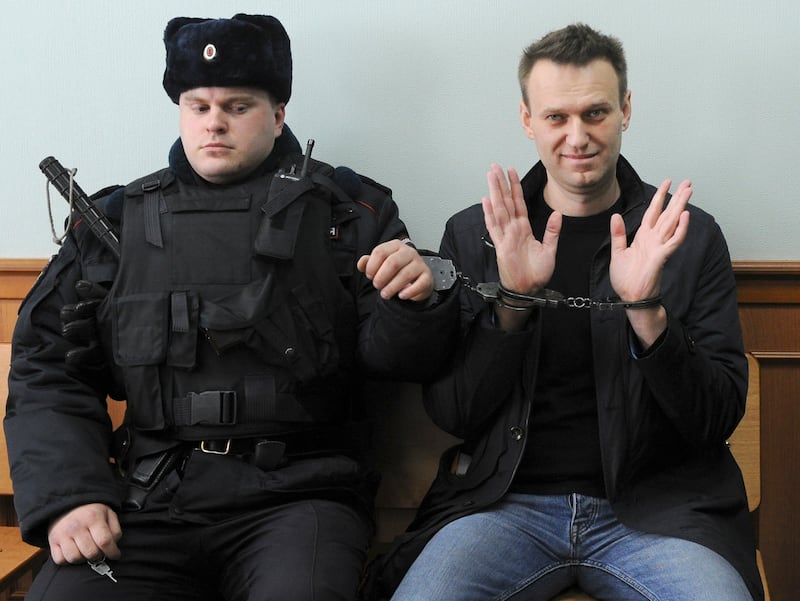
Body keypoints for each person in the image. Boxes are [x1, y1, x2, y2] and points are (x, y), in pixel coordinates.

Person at [5, 14, 458, 601]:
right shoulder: (114, 221)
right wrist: (70, 495)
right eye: (198, 106)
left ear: (278, 113)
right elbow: (46, 366)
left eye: (238, 106)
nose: (214, 122)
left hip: (300, 498)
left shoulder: (348, 212)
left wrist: (415, 300)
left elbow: (398, 359)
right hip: (151, 497)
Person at [365, 23, 763, 601]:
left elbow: (714, 417)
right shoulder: (476, 235)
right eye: (556, 117)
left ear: (626, 110)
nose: (577, 137)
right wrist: (514, 304)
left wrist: (646, 310)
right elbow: (455, 412)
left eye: (596, 113)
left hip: (659, 513)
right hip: (504, 506)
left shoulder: (687, 237)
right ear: (528, 120)